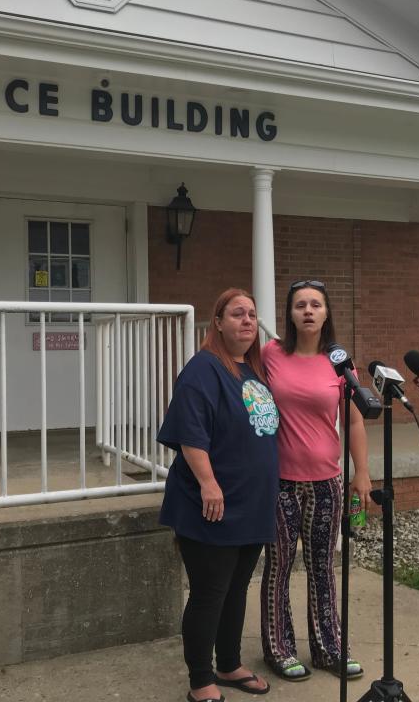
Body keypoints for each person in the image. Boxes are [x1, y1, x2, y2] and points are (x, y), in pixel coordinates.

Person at [158, 288, 280, 702]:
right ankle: (200, 680)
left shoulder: (253, 370)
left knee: (237, 587)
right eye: (237, 314)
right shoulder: (203, 368)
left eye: (251, 314)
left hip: (252, 503)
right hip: (211, 503)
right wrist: (209, 484)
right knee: (210, 591)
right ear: (219, 322)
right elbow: (190, 432)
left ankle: (229, 663)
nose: (247, 320)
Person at [259, 279, 372, 682]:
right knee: (280, 566)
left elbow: (355, 419)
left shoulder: (340, 363)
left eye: (316, 305)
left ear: (327, 313)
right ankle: (279, 648)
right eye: (300, 305)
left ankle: (328, 648)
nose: (308, 311)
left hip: (327, 481)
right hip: (280, 482)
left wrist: (362, 472)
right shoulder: (270, 355)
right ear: (289, 314)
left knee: (323, 567)